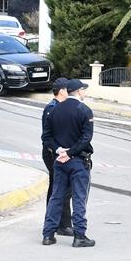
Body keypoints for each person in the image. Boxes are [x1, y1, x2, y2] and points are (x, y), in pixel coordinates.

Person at [42, 78, 95, 247]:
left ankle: (48, 235)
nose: (85, 92)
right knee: (79, 197)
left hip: (60, 161)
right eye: (84, 90)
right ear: (78, 91)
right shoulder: (84, 110)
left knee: (56, 197)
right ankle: (79, 236)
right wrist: (70, 152)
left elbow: (46, 137)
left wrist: (59, 151)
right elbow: (86, 138)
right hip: (78, 161)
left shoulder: (55, 110)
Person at [40, 77, 73, 237]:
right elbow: (47, 136)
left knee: (57, 186)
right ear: (61, 91)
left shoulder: (59, 107)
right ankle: (61, 224)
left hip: (57, 152)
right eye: (68, 90)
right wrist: (58, 150)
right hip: (53, 153)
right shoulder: (52, 108)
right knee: (62, 187)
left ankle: (54, 222)